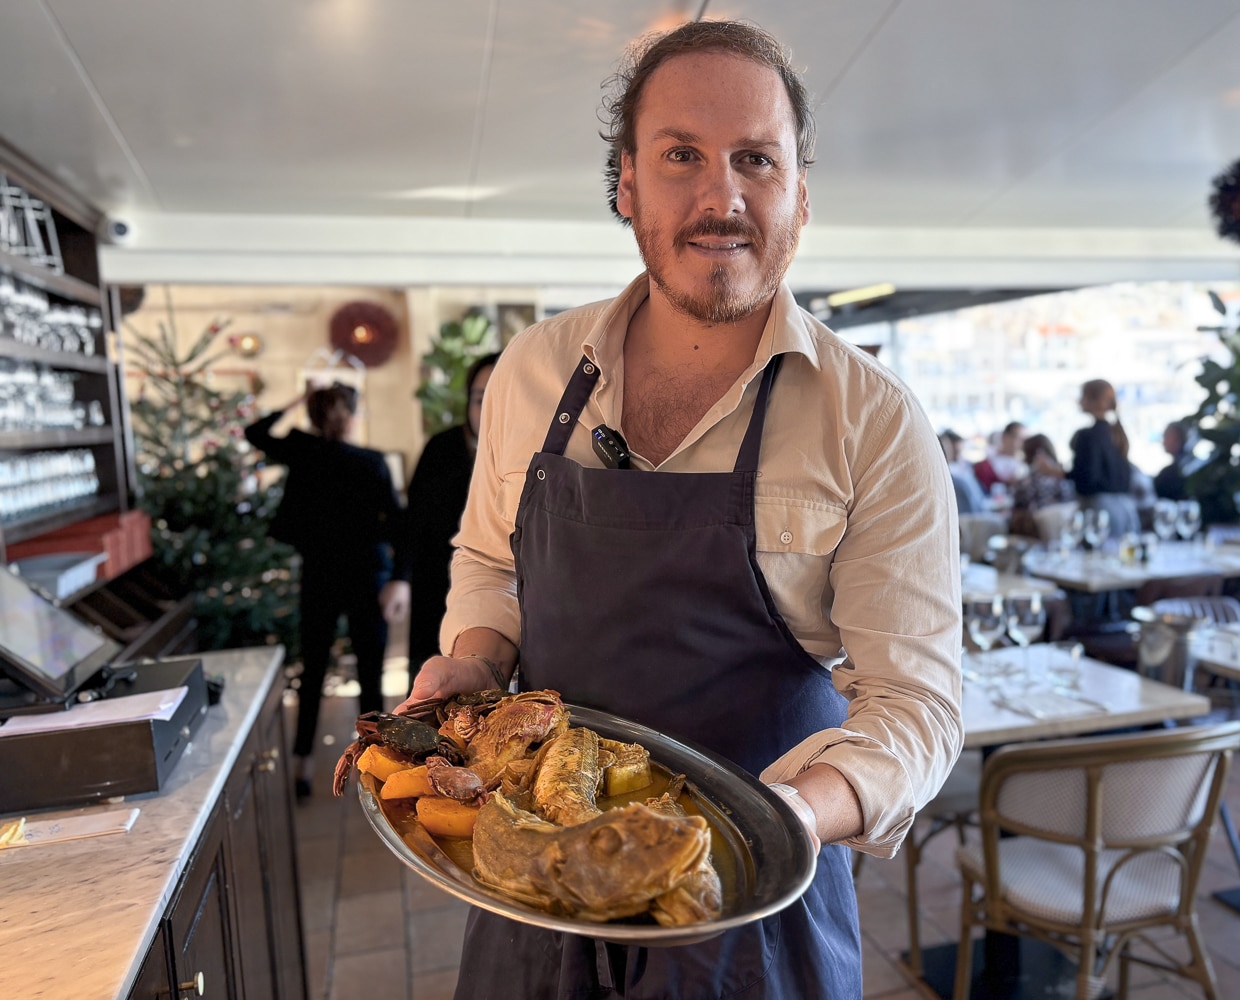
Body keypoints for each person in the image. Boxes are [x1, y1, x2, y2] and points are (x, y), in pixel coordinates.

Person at [399, 20, 962, 999]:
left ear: (800, 191)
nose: (722, 196)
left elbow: (916, 705)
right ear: (626, 184)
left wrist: (786, 817)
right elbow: (489, 565)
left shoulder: (871, 419)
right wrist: (475, 663)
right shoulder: (535, 373)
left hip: (748, 897)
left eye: (756, 158)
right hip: (539, 882)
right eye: (681, 156)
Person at [246, 383, 409, 801]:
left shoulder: (303, 453)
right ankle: (378, 766)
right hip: (366, 575)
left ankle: (303, 765)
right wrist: (399, 577)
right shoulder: (371, 462)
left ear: (315, 418)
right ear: (351, 415)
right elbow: (399, 526)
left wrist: (296, 401)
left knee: (313, 671)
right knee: (370, 674)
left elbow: (255, 432)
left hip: (320, 576)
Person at [403, 352, 499, 688]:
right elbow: (413, 521)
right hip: (436, 586)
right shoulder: (441, 448)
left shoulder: (534, 456)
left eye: (497, 397)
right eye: (478, 399)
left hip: (500, 598)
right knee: (429, 684)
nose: (486, 409)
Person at [1069, 378, 1139, 536]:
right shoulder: (1116, 432)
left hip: (1098, 511)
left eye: (1083, 395)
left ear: (1094, 400)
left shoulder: (1089, 435)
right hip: (1125, 509)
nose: (1080, 400)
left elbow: (1087, 478)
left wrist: (1058, 473)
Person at [940, 429, 989, 514]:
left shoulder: (964, 470)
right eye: (955, 451)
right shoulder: (955, 477)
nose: (957, 456)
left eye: (959, 452)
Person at [973, 421, 1026, 497]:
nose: (1020, 443)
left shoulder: (1024, 464)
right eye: (1016, 437)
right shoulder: (985, 464)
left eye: (1023, 439)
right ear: (1004, 436)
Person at [1154, 419, 1191, 501]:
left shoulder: (1173, 473)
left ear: (1178, 439)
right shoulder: (1171, 471)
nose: (1163, 442)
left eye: (1166, 436)